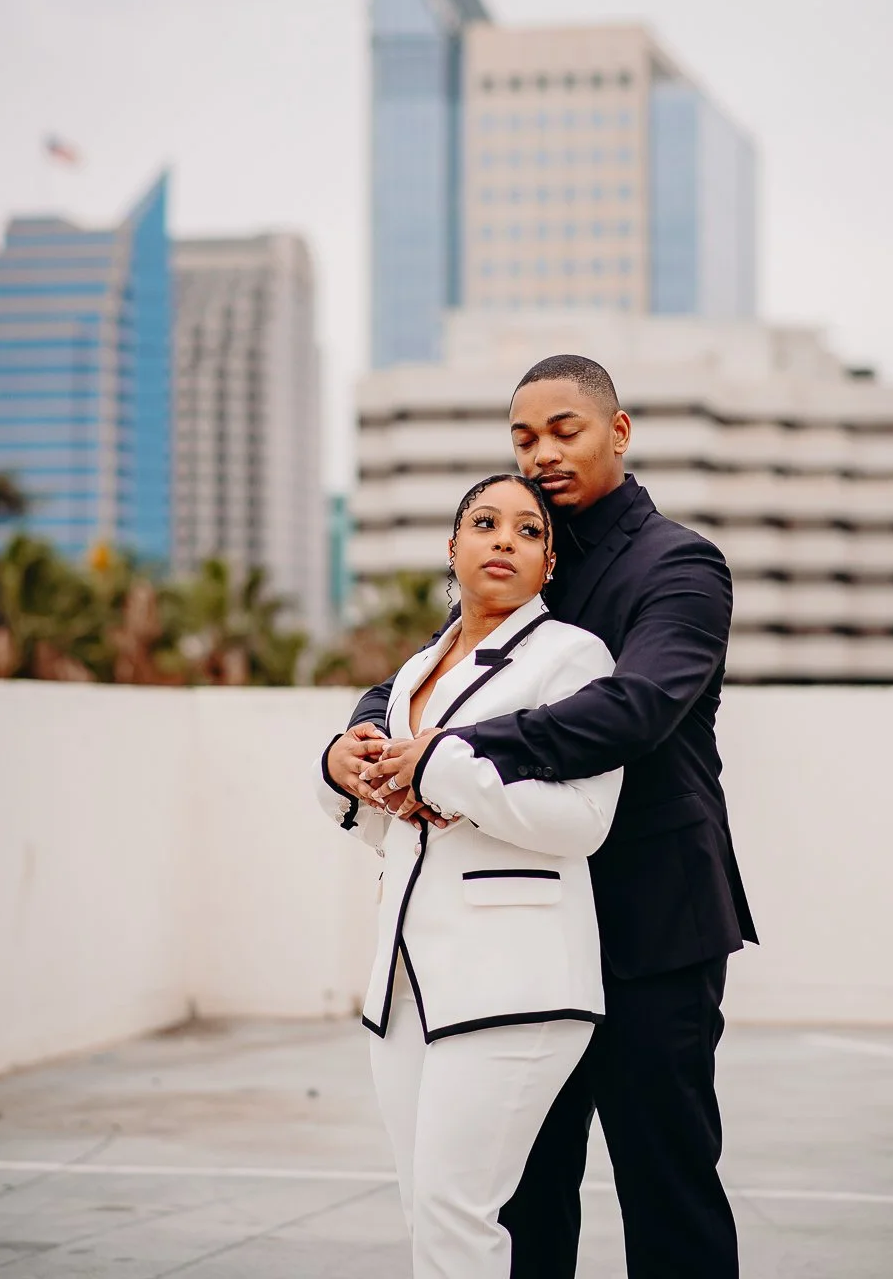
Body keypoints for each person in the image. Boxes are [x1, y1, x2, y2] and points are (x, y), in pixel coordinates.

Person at [333, 354, 758, 1279]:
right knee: (518, 1203)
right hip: (519, 939)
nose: (542, 455)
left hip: (653, 922)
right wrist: (356, 743)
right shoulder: (523, 550)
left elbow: (638, 707)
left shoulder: (680, 565)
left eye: (565, 430)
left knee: (667, 1187)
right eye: (523, 438)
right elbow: (420, 676)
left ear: (620, 430)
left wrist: (456, 756)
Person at [319, 471, 621, 1279]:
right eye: (485, 523)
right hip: (408, 981)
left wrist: (447, 770)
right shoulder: (417, 670)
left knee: (459, 1215)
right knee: (429, 1212)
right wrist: (342, 773)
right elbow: (395, 826)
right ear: (451, 547)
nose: (504, 541)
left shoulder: (573, 656)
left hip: (517, 982)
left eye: (530, 532)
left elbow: (585, 822)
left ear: (549, 565)